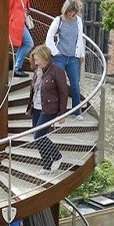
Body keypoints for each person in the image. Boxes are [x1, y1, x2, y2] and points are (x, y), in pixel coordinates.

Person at [26, 45, 68, 174]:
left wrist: (62, 114)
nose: (36, 63)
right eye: (35, 60)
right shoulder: (38, 71)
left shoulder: (57, 71)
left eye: (38, 60)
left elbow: (63, 93)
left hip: (49, 109)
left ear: (45, 57)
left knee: (38, 135)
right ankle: (46, 165)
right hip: (37, 107)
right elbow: (34, 90)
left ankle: (57, 156)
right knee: (38, 137)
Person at [45, 0, 86, 120]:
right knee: (60, 84)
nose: (71, 14)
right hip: (60, 57)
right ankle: (58, 111)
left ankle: (76, 111)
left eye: (74, 12)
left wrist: (81, 53)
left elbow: (79, 38)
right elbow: (49, 37)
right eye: (69, 12)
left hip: (73, 57)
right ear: (65, 10)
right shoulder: (58, 21)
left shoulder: (78, 21)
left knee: (75, 84)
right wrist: (56, 52)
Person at [8, 0, 37, 77]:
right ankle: (17, 67)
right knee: (29, 43)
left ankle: (17, 66)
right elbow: (7, 6)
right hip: (15, 22)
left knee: (25, 43)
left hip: (20, 21)